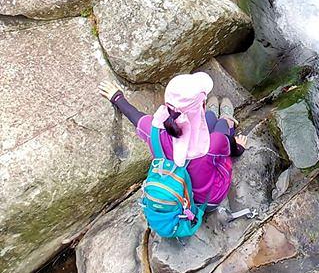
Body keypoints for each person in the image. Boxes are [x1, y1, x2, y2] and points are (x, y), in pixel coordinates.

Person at [99, 72, 246, 206]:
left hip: (180, 194)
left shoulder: (154, 131)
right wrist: (240, 147)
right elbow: (234, 150)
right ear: (202, 104)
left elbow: (135, 116)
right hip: (208, 201)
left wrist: (117, 97)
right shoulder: (215, 143)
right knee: (220, 124)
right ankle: (227, 119)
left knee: (209, 118)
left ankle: (210, 114)